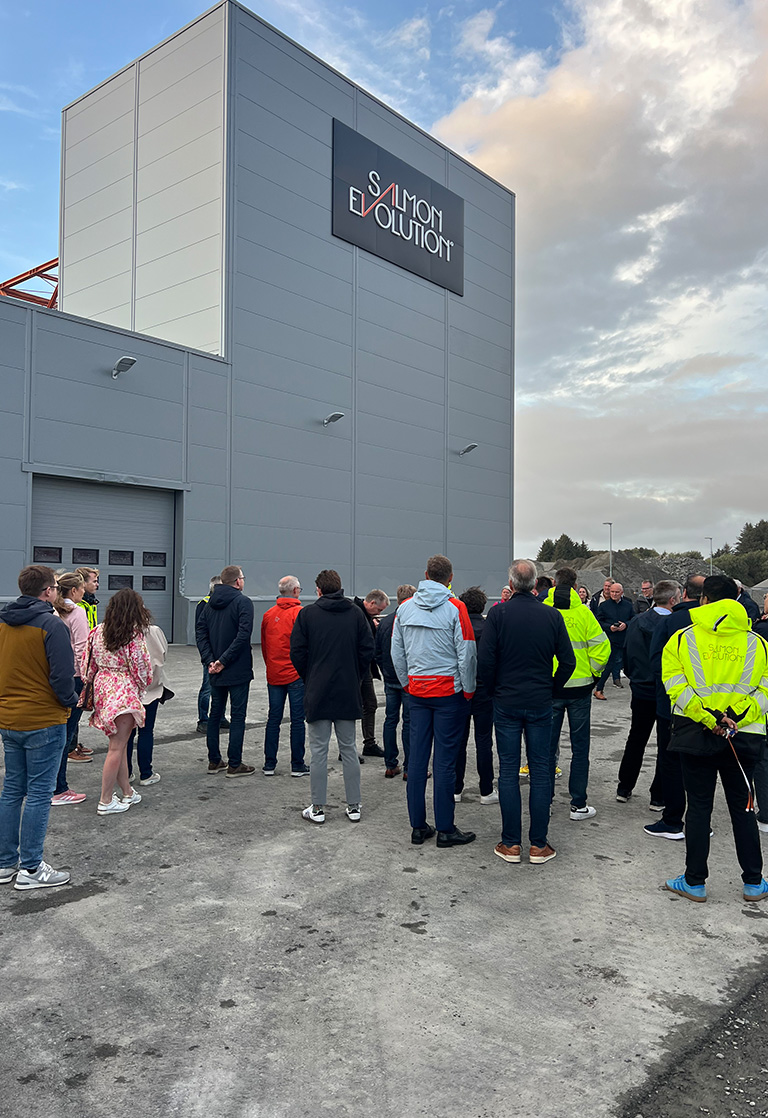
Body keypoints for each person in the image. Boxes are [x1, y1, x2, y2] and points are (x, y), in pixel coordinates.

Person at [662, 574, 768, 903]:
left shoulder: (681, 639)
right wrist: (735, 717)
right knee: (743, 808)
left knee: (699, 808)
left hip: (697, 735)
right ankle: (754, 881)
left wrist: (709, 717)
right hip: (743, 737)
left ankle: (694, 881)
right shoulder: (758, 643)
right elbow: (764, 691)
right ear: (737, 600)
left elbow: (676, 687)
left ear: (703, 600)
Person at [479, 559, 575, 866]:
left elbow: (486, 661)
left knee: (508, 770)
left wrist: (494, 689)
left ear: (511, 584)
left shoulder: (498, 614)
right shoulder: (551, 615)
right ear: (535, 585)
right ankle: (538, 845)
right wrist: (552, 689)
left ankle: (510, 844)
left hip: (506, 701)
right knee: (540, 769)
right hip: (539, 701)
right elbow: (569, 662)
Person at [0, 565, 78, 890]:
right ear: (48, 591)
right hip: (44, 719)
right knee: (39, 792)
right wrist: (72, 699)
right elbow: (62, 677)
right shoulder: (52, 625)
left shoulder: (3, 622)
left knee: (12, 789)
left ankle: (6, 863)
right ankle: (31, 868)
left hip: (9, 718)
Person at [392, 554, 477, 848]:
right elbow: (467, 653)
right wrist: (467, 689)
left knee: (416, 760)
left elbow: (397, 653)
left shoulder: (404, 608)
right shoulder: (456, 608)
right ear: (450, 578)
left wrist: (407, 683)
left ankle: (418, 827)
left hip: (417, 692)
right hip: (448, 694)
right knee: (444, 762)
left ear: (426, 574)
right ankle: (445, 828)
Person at [290, 569, 374, 824]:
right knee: (349, 749)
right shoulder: (356, 614)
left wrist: (311, 675)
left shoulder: (307, 615)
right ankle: (354, 805)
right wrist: (355, 675)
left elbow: (297, 652)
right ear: (339, 588)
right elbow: (367, 649)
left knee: (318, 751)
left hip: (318, 690)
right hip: (347, 690)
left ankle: (317, 808)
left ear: (318, 590)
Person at [543, 567, 610, 821]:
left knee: (546, 749)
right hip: (580, 690)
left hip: (549, 689)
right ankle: (578, 804)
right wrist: (592, 675)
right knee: (580, 748)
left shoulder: (544, 611)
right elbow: (602, 648)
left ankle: (545, 800)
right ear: (575, 586)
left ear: (554, 583)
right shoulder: (584, 613)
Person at [644, 575, 705, 841]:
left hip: (671, 704)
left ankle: (672, 820)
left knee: (670, 762)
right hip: (707, 708)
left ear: (683, 595)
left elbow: (656, 663)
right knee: (701, 764)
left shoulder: (670, 622)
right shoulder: (713, 625)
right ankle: (701, 821)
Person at [83, 588, 153, 814]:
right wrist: (141, 687)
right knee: (116, 747)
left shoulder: (96, 632)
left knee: (120, 745)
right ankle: (105, 800)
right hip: (123, 692)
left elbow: (87, 666)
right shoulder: (133, 636)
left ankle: (127, 792)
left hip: (103, 689)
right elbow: (142, 670)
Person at [615, 580, 680, 807]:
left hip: (641, 689)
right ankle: (658, 796)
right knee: (666, 743)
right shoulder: (675, 626)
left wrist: (635, 677)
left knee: (636, 738)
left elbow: (627, 651)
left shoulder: (636, 622)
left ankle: (624, 787)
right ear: (673, 599)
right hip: (666, 692)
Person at [195, 565, 255, 777]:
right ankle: (235, 764)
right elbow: (243, 635)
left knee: (215, 714)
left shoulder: (209, 604)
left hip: (215, 670)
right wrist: (223, 660)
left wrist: (211, 660)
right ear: (238, 581)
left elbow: (200, 633)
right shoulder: (243, 602)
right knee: (238, 716)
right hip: (237, 668)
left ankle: (214, 761)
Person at [260, 575, 309, 777]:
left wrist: (271, 664)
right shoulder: (301, 614)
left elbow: (264, 645)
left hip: (274, 673)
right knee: (298, 720)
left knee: (274, 719)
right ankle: (297, 764)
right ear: (296, 591)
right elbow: (307, 645)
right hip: (295, 673)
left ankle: (269, 764)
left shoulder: (269, 615)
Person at [454, 586, 497, 805]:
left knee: (458, 742)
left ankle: (456, 788)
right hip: (484, 691)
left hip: (461, 690)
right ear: (483, 606)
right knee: (484, 742)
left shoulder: (458, 627)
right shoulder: (490, 627)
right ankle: (486, 790)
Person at [50, 573, 89, 806]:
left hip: (53, 675)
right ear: (73, 591)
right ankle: (59, 788)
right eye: (82, 588)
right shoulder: (77, 612)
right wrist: (85, 676)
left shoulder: (52, 611)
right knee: (66, 733)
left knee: (54, 731)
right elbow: (82, 647)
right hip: (73, 677)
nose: (84, 592)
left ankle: (46, 784)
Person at [374, 584, 416, 779]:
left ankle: (391, 764)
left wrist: (385, 672)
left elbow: (378, 653)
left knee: (390, 721)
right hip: (408, 679)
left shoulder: (384, 622)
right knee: (409, 723)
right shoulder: (412, 619)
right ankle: (410, 767)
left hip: (390, 678)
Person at [126, 621, 169, 786]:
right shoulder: (153, 631)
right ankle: (146, 773)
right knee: (146, 731)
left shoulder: (115, 630)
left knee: (126, 733)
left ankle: (126, 772)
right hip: (150, 688)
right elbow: (163, 654)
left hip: (126, 691)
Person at [353, 589, 390, 760]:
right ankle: (347, 748)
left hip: (365, 667)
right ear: (372, 603)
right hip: (355, 668)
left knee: (370, 704)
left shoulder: (365, 616)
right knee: (352, 707)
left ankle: (369, 743)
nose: (379, 614)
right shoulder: (354, 613)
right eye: (379, 610)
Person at [195, 576, 228, 734]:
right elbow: (201, 632)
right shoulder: (204, 604)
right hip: (210, 655)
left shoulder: (225, 603)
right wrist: (207, 656)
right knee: (207, 688)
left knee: (222, 687)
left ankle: (220, 717)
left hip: (223, 655)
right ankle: (203, 720)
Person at [594, 583, 633, 697]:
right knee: (609, 665)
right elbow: (599, 622)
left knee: (630, 663)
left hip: (625, 639)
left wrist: (626, 624)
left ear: (621, 592)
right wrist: (609, 627)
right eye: (612, 592)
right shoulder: (604, 606)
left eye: (617, 592)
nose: (614, 594)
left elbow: (634, 618)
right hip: (611, 639)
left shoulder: (628, 604)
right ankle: (599, 689)